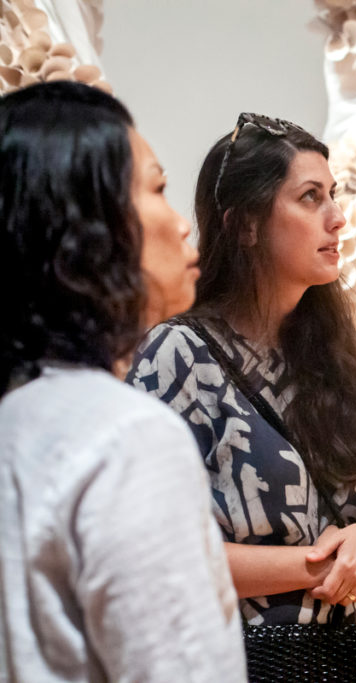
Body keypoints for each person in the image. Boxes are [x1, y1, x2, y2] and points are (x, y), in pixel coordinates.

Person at [126, 112, 356, 675]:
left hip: (345, 659)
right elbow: (160, 553)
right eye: (310, 197)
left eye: (334, 195)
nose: (338, 218)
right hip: (233, 661)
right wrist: (325, 566)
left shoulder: (337, 356)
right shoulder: (177, 355)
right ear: (245, 224)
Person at [0, 81, 246, 681]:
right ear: (90, 230)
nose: (184, 226)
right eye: (158, 188)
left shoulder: (18, 415)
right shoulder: (127, 437)